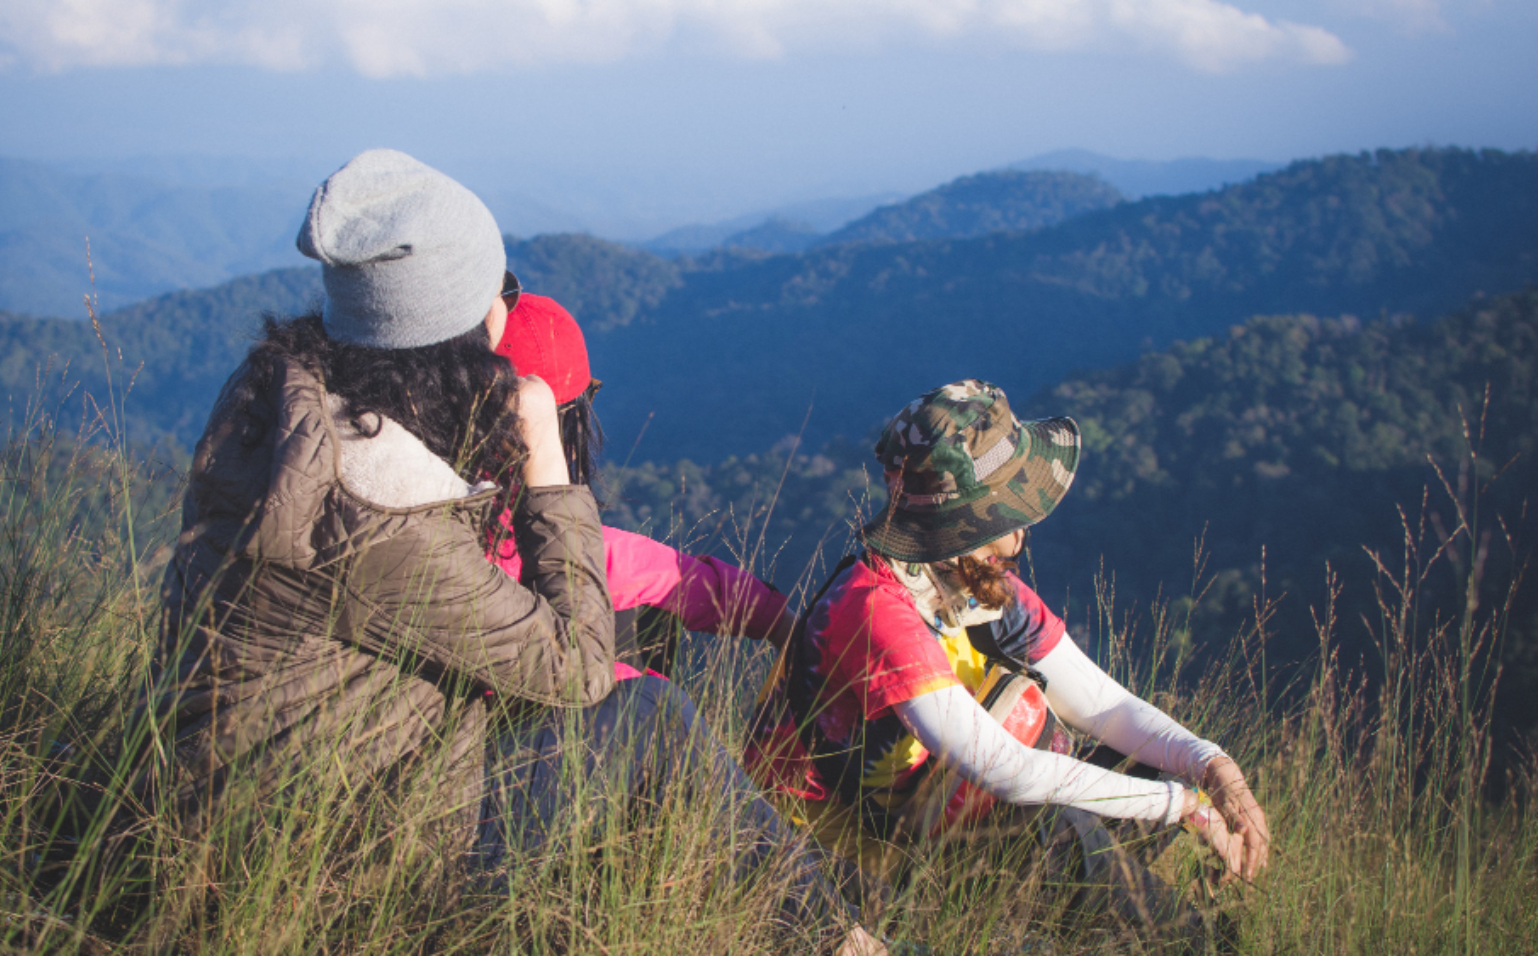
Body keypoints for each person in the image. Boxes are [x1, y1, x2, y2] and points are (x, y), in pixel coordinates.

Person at [137, 149, 888, 955]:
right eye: (500, 290)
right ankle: (836, 944)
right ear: (466, 327)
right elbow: (581, 668)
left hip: (228, 802)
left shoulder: (280, 411)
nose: (510, 306)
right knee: (651, 715)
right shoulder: (381, 504)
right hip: (335, 870)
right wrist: (547, 466)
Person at [744, 379, 1271, 942]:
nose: (1019, 538)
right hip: (856, 864)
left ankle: (1095, 923)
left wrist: (1214, 771)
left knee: (1159, 764)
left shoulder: (972, 585)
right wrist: (1184, 806)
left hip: (942, 810)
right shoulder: (876, 613)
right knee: (1059, 828)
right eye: (1006, 520)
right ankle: (1197, 942)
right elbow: (1009, 773)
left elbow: (1102, 707)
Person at [491, 292, 794, 675]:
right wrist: (642, 694)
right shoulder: (531, 546)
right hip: (517, 714)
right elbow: (636, 568)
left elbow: (639, 566)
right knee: (637, 629)